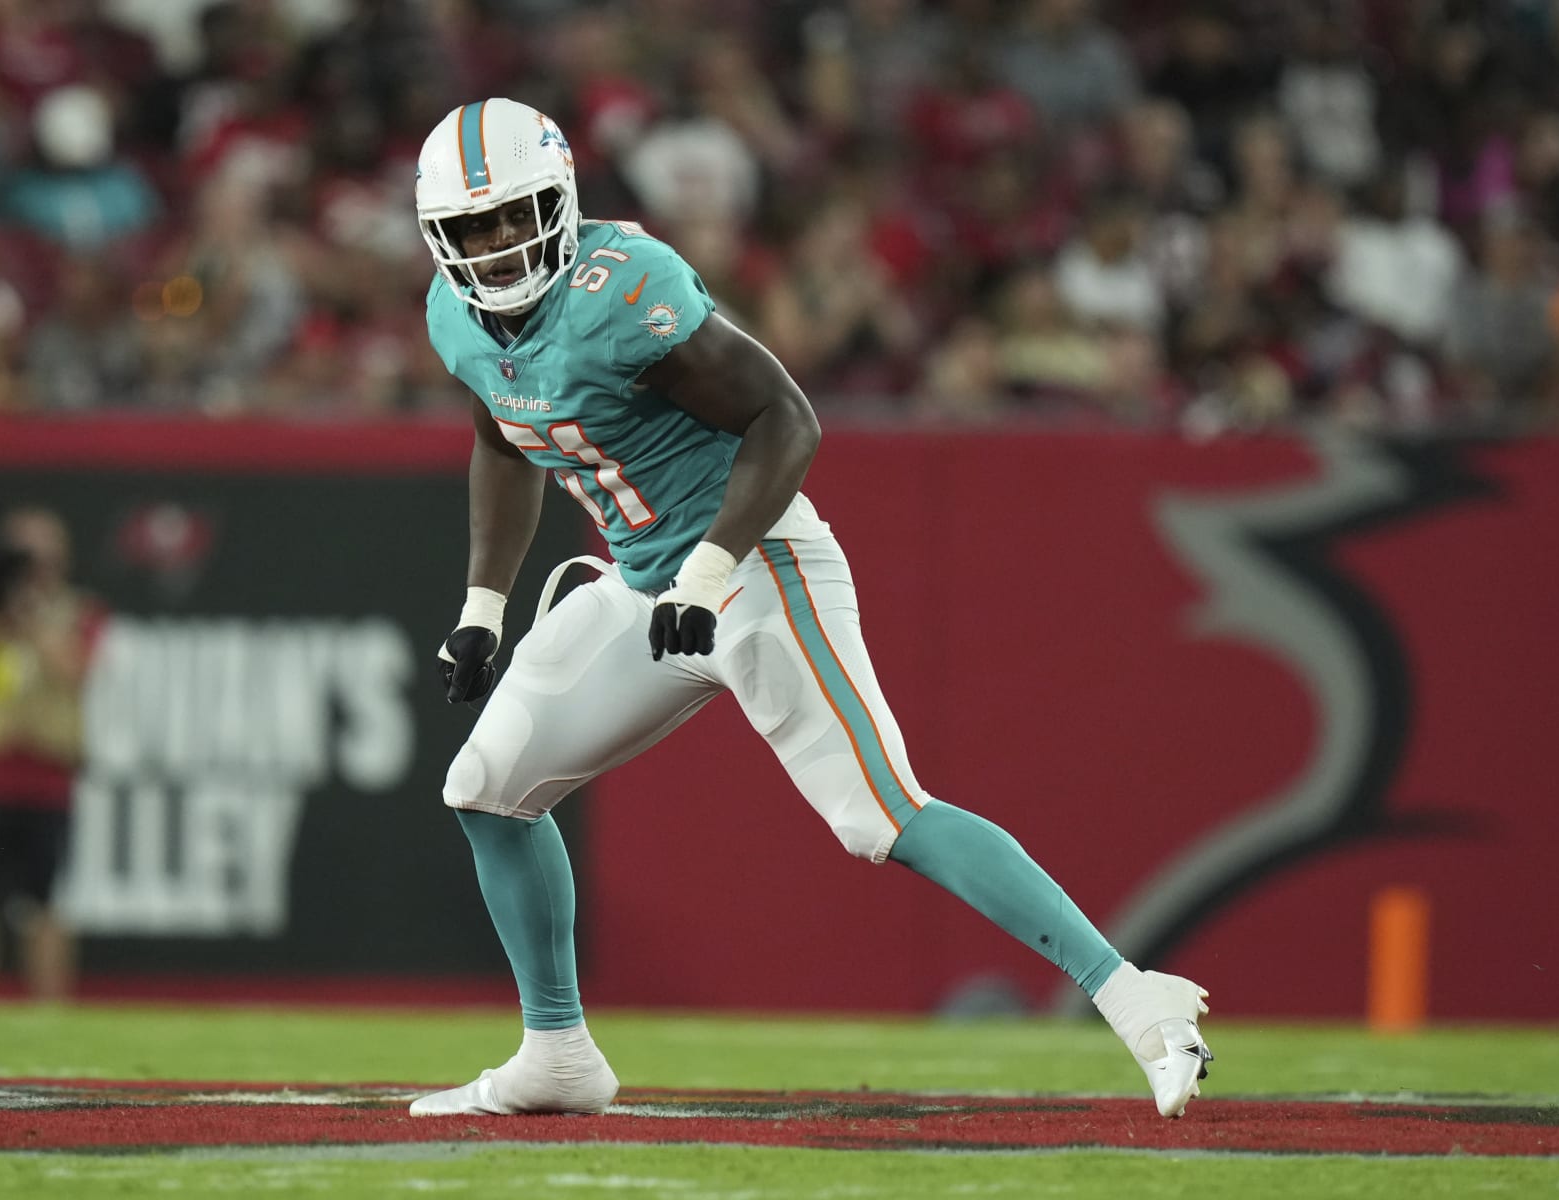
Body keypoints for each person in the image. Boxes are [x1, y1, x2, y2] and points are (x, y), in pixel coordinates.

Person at [408, 98, 1214, 1120]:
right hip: (646, 586)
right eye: (471, 228)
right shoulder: (453, 314)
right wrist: (484, 603)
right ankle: (557, 1050)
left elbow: (787, 419)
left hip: (751, 562)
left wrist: (709, 569)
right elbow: (502, 435)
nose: (496, 244)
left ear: (561, 201)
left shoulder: (623, 289)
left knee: (879, 811)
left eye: (513, 215)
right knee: (485, 787)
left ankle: (1136, 998)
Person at [0, 506, 105, 1001]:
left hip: (48, 774)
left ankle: (50, 1011)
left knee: (45, 901)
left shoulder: (79, 610)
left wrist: (30, 615)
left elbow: (74, 670)